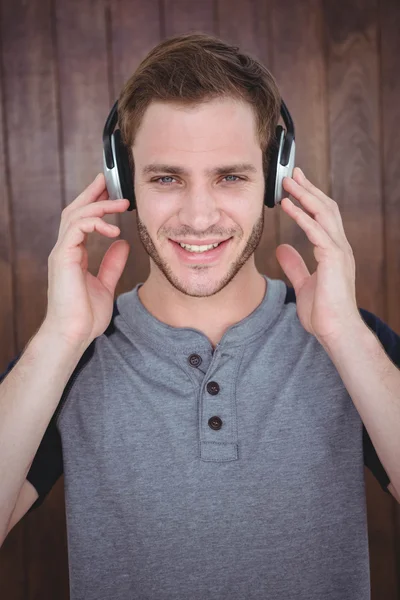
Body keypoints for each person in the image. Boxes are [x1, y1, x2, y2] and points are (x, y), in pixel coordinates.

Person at [0, 32, 399, 600]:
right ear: (123, 183)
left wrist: (344, 338)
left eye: (230, 177)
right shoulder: (70, 355)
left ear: (275, 181)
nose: (199, 215)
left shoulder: (354, 343)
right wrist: (60, 339)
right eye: (166, 178)